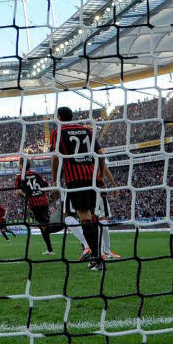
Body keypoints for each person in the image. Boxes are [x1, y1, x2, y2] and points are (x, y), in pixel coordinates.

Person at [50, 106, 104, 271]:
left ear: (59, 116)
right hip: (92, 177)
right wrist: (100, 176)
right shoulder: (87, 130)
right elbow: (101, 153)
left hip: (76, 179)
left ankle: (97, 259)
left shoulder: (58, 132)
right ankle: (97, 257)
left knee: (84, 216)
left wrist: (55, 181)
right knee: (93, 216)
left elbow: (56, 156)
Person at [14, 159, 58, 255]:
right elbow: (46, 185)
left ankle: (63, 226)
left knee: (44, 225)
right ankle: (50, 249)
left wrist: (27, 197)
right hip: (44, 200)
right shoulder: (36, 174)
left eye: (19, 164)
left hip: (34, 203)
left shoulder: (20, 177)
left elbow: (18, 191)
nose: (18, 166)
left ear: (22, 165)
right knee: (43, 225)